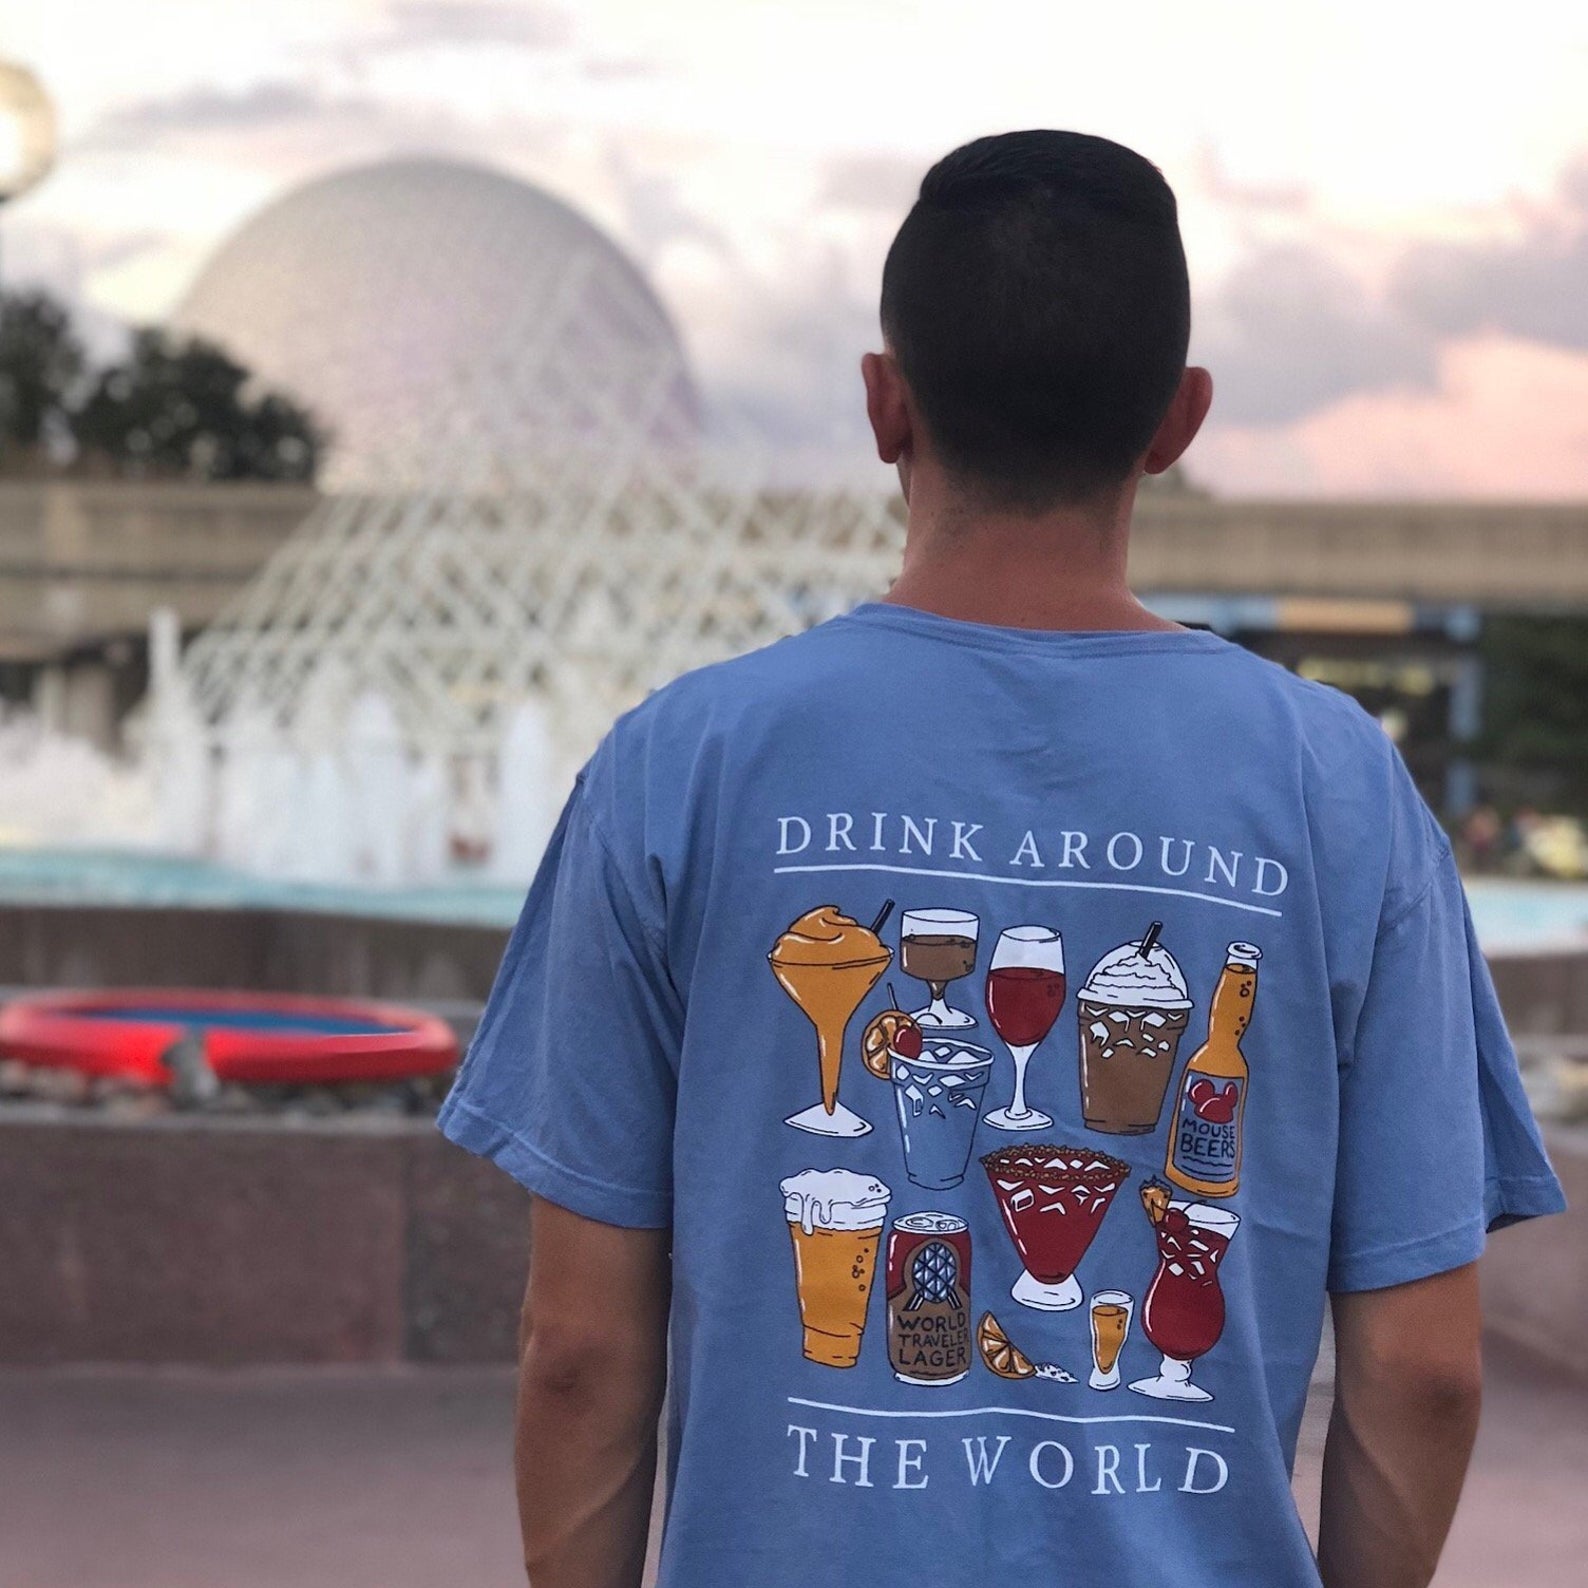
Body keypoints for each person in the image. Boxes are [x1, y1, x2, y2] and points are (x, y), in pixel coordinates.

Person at [438, 130, 1565, 1588]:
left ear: (883, 402)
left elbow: (580, 1351)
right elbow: (1426, 1374)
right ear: (1177, 421)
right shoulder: (1337, 786)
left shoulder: (681, 762)